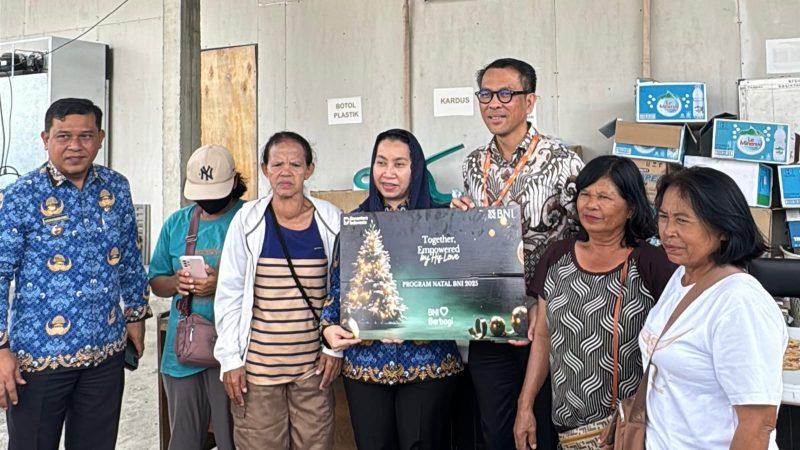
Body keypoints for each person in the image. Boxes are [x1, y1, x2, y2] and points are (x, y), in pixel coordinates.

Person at [0, 98, 150, 449]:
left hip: (105, 355)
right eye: (63, 136)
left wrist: (136, 314)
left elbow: (129, 255)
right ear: (45, 138)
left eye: (85, 136)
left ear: (100, 138)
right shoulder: (20, 196)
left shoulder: (116, 187)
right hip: (37, 359)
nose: (75, 146)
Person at [451, 58, 584, 449]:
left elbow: (581, 238)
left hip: (543, 318)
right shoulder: (474, 163)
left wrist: (543, 304)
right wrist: (462, 224)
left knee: (539, 425)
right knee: (494, 427)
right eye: (486, 94)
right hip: (488, 317)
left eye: (506, 93)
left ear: (530, 101)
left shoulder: (563, 162)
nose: (494, 103)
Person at [514, 156, 675, 449]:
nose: (590, 204)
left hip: (629, 429)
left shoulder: (651, 264)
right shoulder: (557, 256)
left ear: (632, 208)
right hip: (567, 427)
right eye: (585, 194)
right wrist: (524, 406)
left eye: (604, 196)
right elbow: (542, 335)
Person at [322, 129, 464, 450]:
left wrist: (470, 225)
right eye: (381, 162)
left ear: (416, 170)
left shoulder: (440, 222)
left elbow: (460, 293)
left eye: (399, 164)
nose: (388, 173)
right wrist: (328, 330)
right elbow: (335, 294)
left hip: (429, 366)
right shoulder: (356, 224)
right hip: (366, 368)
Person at [639, 167, 786, 450]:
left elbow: (758, 424)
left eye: (683, 220)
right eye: (664, 217)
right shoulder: (681, 277)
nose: (668, 231)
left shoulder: (739, 303)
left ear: (722, 229)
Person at [213, 131, 342, 449]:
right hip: (256, 374)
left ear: (309, 169)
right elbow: (229, 292)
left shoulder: (330, 220)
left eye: (296, 164)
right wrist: (230, 359)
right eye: (278, 164)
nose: (286, 172)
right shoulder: (248, 221)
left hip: (313, 372)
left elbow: (343, 292)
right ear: (265, 168)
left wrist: (334, 350)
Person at [149, 145, 245, 450]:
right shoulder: (177, 223)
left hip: (236, 352)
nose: (208, 203)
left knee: (235, 438)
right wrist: (177, 282)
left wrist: (224, 284)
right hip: (183, 353)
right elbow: (157, 281)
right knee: (184, 440)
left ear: (233, 184)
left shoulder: (250, 218)